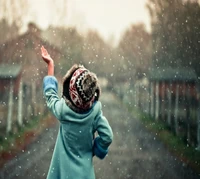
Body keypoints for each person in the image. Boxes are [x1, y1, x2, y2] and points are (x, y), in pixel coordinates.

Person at [41, 46, 113, 179]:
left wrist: (50, 65)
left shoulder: (63, 111)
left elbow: (50, 95)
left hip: (62, 174)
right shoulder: (94, 115)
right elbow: (107, 136)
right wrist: (96, 149)